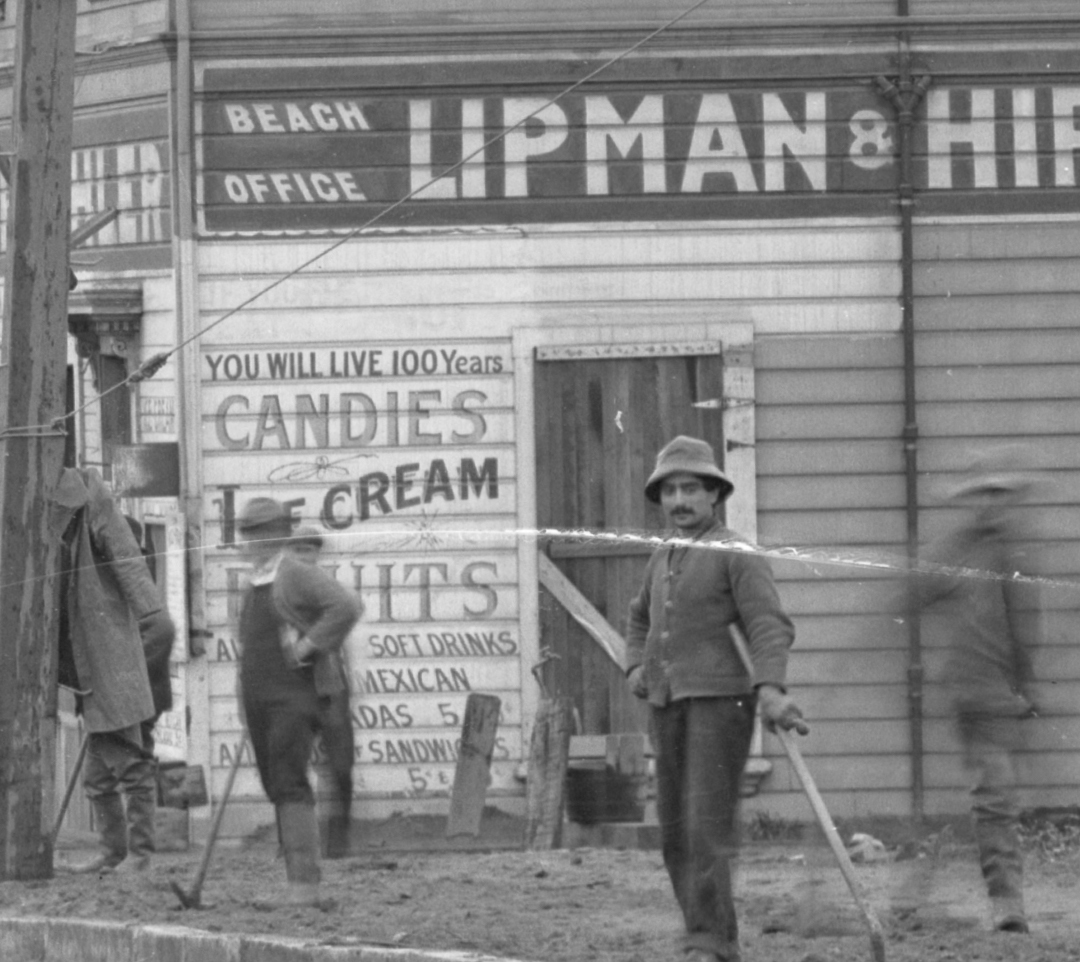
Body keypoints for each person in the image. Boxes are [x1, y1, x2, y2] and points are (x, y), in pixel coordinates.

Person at [625, 435, 805, 962]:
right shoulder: (663, 557)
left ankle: (710, 941)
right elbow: (639, 616)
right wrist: (636, 663)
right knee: (675, 830)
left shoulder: (737, 554)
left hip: (720, 705)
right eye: (670, 491)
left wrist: (770, 690)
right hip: (667, 703)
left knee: (706, 827)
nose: (679, 501)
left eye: (690, 490)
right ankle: (705, 933)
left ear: (713, 496)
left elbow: (770, 625)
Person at [912, 449, 1041, 934]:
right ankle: (995, 900)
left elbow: (1026, 629)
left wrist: (1024, 690)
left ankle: (1003, 899)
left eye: (998, 495)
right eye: (980, 495)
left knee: (994, 797)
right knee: (990, 795)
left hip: (1000, 694)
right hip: (968, 691)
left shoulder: (1015, 554)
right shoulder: (955, 549)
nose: (989, 504)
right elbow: (917, 591)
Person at [235, 499, 361, 906]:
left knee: (289, 781)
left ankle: (304, 887)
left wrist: (308, 645)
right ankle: (296, 879)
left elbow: (346, 606)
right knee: (276, 784)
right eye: (250, 533)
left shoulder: (295, 574)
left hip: (293, 697)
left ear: (279, 535)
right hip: (260, 699)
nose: (254, 541)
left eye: (262, 533)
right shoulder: (254, 581)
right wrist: (245, 702)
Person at [52, 467, 176, 875]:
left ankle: (139, 856)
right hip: (92, 672)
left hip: (113, 676)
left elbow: (148, 603)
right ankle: (114, 852)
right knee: (98, 778)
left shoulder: (90, 498)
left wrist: (126, 668)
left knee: (131, 768)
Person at [287, 525, 357, 858]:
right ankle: (293, 843)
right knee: (293, 767)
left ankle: (339, 840)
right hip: (294, 689)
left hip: (330, 685)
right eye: (298, 551)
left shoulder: (331, 591)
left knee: (341, 765)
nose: (304, 557)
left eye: (309, 551)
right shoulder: (282, 594)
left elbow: (349, 635)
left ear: (317, 555)